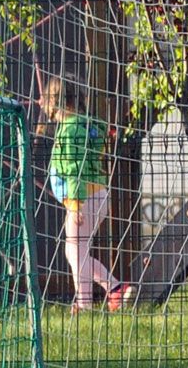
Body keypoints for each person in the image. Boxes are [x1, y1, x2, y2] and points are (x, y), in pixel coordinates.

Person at [41, 76, 131, 313]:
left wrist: (75, 205)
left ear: (57, 103)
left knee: (76, 252)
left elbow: (74, 169)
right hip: (97, 194)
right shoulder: (87, 125)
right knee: (74, 252)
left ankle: (89, 301)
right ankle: (111, 289)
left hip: (83, 197)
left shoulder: (70, 130)